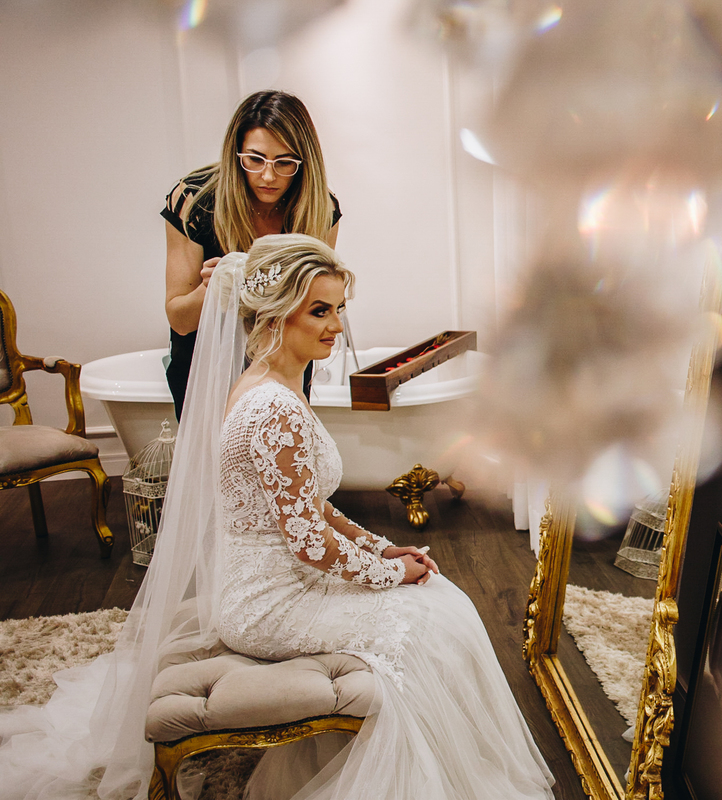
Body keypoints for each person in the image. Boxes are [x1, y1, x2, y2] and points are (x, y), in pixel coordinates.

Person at [0, 235, 554, 800]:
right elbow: (309, 541)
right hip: (270, 605)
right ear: (274, 314)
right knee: (436, 619)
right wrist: (393, 574)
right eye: (319, 311)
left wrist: (380, 548)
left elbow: (310, 504)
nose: (336, 325)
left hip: (280, 583)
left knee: (438, 602)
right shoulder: (273, 409)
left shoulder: (273, 383)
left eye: (339, 308)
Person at [163, 90, 341, 421]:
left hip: (284, 368)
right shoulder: (194, 201)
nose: (268, 176)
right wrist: (212, 289)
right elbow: (180, 320)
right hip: (205, 370)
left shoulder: (320, 209)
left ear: (305, 162)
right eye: (255, 160)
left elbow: (311, 307)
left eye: (285, 162)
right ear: (236, 154)